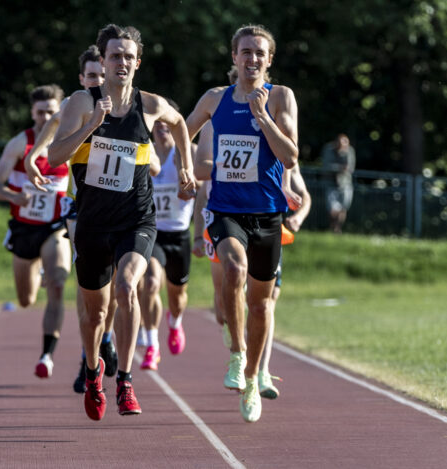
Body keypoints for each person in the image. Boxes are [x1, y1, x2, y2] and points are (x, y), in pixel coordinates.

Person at [48, 24, 196, 421]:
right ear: (103, 59)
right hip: (94, 224)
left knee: (128, 286)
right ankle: (94, 371)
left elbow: (180, 123)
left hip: (137, 219)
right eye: (115, 56)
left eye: (129, 57)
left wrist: (185, 167)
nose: (122, 63)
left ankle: (126, 381)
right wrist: (91, 126)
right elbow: (55, 158)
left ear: (138, 62)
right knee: (94, 314)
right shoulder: (81, 102)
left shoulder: (149, 105)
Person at [186, 24, 298, 422]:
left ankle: (252, 379)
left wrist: (262, 118)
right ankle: (237, 354)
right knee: (233, 267)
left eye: (259, 53)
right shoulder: (216, 99)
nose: (252, 58)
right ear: (234, 57)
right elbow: (185, 130)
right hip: (225, 210)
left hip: (267, 212)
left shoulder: (282, 97)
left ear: (269, 60)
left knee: (261, 302)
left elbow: (290, 157)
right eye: (245, 51)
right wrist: (185, 167)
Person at [24, 45, 120, 394]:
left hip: (120, 207)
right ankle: (87, 359)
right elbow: (50, 126)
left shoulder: (124, 103)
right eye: (91, 76)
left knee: (118, 287)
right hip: (82, 206)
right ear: (82, 79)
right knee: (88, 286)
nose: (98, 81)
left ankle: (106, 337)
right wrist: (34, 155)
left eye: (102, 74)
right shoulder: (77, 104)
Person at [0, 84, 70, 381]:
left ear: (60, 111)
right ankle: (36, 272)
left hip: (55, 227)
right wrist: (14, 196)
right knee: (25, 300)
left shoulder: (68, 144)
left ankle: (47, 354)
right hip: (24, 229)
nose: (46, 116)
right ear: (32, 112)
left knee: (59, 282)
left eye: (51, 111)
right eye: (40, 112)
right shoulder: (19, 144)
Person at [138, 99, 197, 371]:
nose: (162, 127)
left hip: (180, 234)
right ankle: (152, 345)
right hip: (153, 233)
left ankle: (175, 324)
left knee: (177, 295)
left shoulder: (188, 154)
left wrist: (202, 231)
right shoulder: (144, 153)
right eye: (157, 122)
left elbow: (205, 190)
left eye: (167, 122)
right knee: (150, 283)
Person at [321, 133, 355, 234]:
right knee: (332, 208)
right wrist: (339, 168)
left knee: (343, 208)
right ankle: (333, 228)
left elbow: (349, 168)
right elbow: (327, 166)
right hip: (330, 183)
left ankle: (338, 229)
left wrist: (343, 154)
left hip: (345, 184)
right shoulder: (328, 150)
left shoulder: (349, 151)